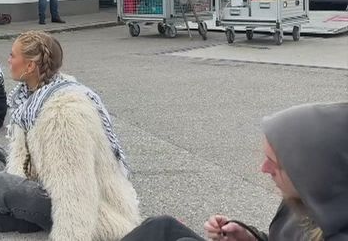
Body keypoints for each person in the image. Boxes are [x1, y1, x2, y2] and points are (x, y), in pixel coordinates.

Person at [0, 30, 139, 236]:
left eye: (13, 56)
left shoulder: (62, 114)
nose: (8, 60)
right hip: (44, 179)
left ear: (30, 66)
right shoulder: (32, 96)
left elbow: (76, 191)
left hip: (93, 209)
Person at [120, 101, 348, 241]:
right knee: (161, 227)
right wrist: (249, 237)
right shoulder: (305, 197)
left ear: (307, 172)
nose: (263, 168)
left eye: (274, 162)